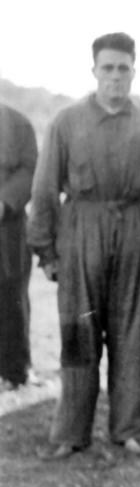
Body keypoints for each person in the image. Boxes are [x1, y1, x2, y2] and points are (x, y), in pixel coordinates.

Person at [28, 32, 140, 459]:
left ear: (134, 71)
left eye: (123, 68)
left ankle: (130, 428)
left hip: (136, 233)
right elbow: (44, 188)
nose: (116, 77)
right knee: (78, 333)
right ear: (94, 70)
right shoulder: (66, 122)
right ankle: (71, 432)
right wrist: (46, 250)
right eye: (108, 68)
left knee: (134, 335)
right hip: (82, 232)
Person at [0, 103, 38, 390]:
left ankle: (15, 369)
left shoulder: (17, 122)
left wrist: (4, 201)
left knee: (12, 293)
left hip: (8, 225)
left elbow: (29, 168)